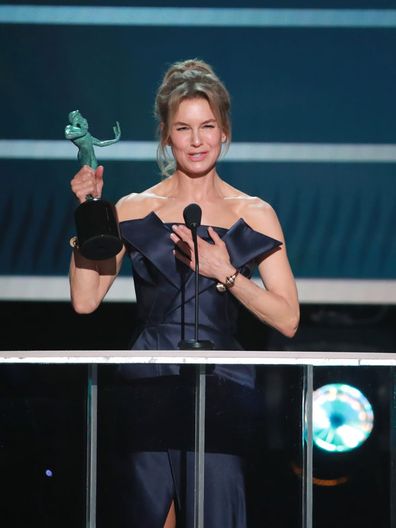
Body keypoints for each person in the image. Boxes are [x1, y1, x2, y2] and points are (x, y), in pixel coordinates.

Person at [69, 58, 299, 528]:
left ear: (224, 130)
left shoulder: (255, 213)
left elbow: (288, 318)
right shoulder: (133, 207)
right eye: (183, 128)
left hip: (221, 387)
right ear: (166, 136)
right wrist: (89, 212)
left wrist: (228, 273)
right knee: (149, 512)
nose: (196, 141)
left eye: (208, 126)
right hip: (147, 384)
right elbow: (85, 299)